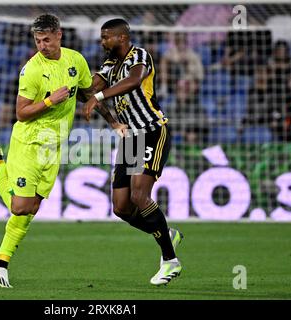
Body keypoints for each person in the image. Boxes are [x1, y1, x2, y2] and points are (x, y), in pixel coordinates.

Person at [0, 14, 95, 288]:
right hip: (30, 142)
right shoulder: (32, 70)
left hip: (54, 145)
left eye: (46, 39)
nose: (41, 45)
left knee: (33, 207)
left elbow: (88, 91)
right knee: (20, 205)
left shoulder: (76, 60)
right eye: (37, 40)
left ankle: (0, 263)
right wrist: (50, 101)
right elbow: (21, 113)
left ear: (59, 35)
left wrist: (107, 102)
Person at [83, 19, 183, 286]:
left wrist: (99, 97)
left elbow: (134, 81)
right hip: (130, 137)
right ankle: (165, 231)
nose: (102, 42)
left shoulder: (139, 55)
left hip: (151, 130)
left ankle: (170, 260)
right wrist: (75, 84)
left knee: (140, 195)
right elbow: (91, 86)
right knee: (121, 206)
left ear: (122, 37)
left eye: (107, 37)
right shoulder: (109, 65)